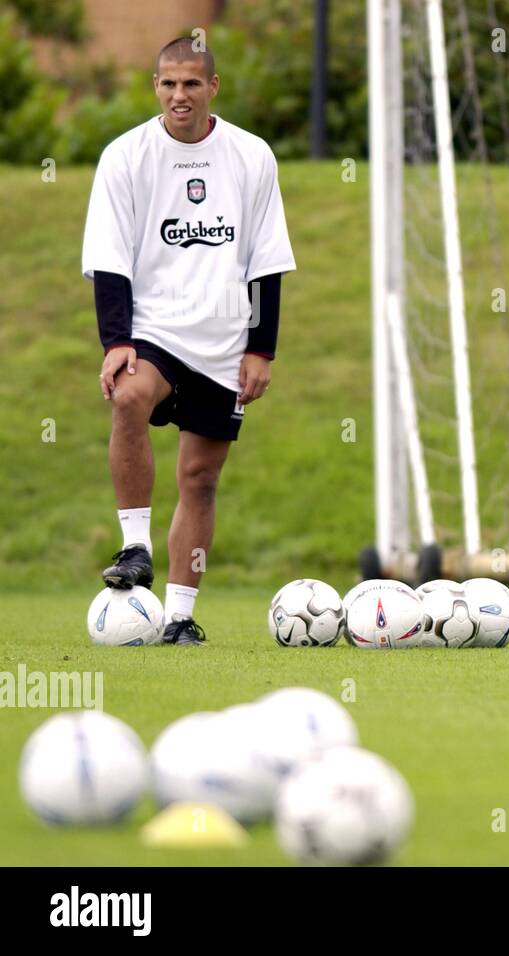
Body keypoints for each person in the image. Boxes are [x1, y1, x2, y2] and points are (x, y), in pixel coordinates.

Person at [83, 37, 296, 645]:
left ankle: (178, 615)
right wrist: (116, 340)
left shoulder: (252, 156)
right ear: (155, 87)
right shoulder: (125, 157)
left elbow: (266, 262)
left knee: (200, 478)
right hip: (154, 328)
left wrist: (261, 349)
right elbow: (108, 258)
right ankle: (134, 547)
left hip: (225, 339)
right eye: (168, 84)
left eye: (192, 85)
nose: (180, 95)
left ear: (213, 88)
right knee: (128, 397)